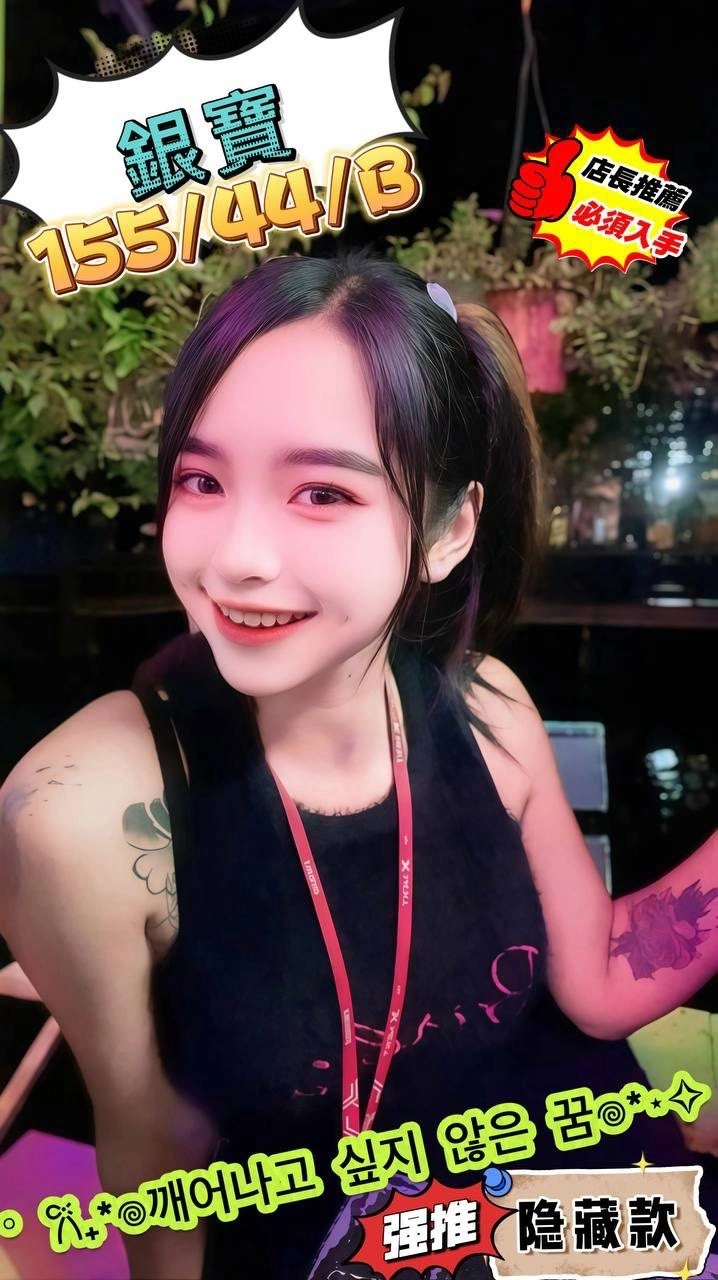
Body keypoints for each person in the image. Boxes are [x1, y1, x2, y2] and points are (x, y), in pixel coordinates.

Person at [0, 249, 716, 1279]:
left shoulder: (491, 708)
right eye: (202, 480)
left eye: (322, 493)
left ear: (448, 530)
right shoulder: (77, 813)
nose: (237, 557)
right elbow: (155, 1150)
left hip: (576, 1217)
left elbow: (598, 981)